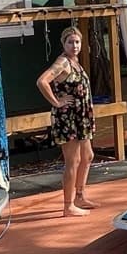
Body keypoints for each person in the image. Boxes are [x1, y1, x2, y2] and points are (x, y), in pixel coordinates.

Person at [36, 25, 97, 216]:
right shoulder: (62, 62)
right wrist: (56, 101)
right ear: (63, 43)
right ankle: (68, 205)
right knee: (73, 160)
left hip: (82, 117)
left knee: (87, 156)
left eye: (77, 41)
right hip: (69, 118)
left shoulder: (76, 61)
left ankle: (79, 195)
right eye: (70, 42)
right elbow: (42, 81)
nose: (75, 45)